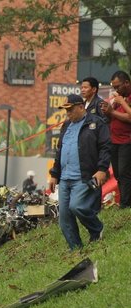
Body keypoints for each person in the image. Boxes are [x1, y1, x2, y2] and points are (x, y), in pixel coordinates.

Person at [49, 94, 111, 250]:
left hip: (84, 177)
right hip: (65, 178)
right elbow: (60, 151)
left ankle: (97, 229)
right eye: (66, 110)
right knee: (64, 219)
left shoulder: (96, 123)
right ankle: (76, 249)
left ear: (81, 107)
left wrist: (102, 169)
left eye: (70, 110)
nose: (68, 113)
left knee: (77, 206)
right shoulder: (66, 125)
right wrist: (54, 174)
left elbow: (105, 147)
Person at [100, 70, 131, 208]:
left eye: (117, 86)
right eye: (114, 87)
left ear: (127, 83)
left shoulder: (124, 98)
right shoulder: (119, 99)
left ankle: (126, 204)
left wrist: (115, 109)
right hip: (114, 141)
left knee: (125, 173)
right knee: (118, 174)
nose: (115, 90)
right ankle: (123, 201)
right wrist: (107, 112)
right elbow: (112, 117)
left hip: (127, 141)